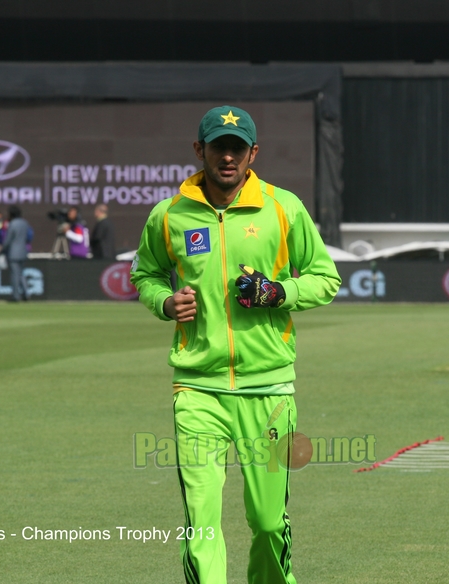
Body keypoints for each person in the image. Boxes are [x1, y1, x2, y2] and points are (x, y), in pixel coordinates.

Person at [130, 105, 341, 584]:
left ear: (253, 153)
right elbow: (144, 274)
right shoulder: (169, 215)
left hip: (268, 392)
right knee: (201, 522)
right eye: (219, 147)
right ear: (199, 150)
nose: (228, 157)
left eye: (238, 148)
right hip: (197, 390)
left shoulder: (283, 207)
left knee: (268, 524)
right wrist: (165, 302)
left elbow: (326, 279)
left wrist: (277, 292)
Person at [0, 205, 31, 302]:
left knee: (14, 274)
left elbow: (8, 239)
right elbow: (28, 237)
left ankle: (16, 296)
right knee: (21, 273)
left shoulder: (12, 224)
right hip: (23, 250)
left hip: (13, 252)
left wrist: (2, 249)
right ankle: (26, 293)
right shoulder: (25, 223)